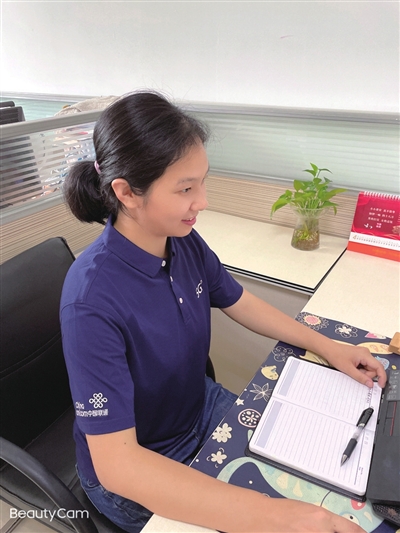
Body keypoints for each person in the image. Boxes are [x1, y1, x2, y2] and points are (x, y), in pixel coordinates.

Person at [60, 90, 386, 533]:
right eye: (186, 189)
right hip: (141, 465)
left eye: (202, 182)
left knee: (322, 477)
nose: (203, 201)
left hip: (200, 409)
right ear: (126, 192)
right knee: (284, 515)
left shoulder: (181, 241)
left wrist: (329, 347)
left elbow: (239, 300)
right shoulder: (90, 301)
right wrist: (279, 516)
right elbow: (119, 466)